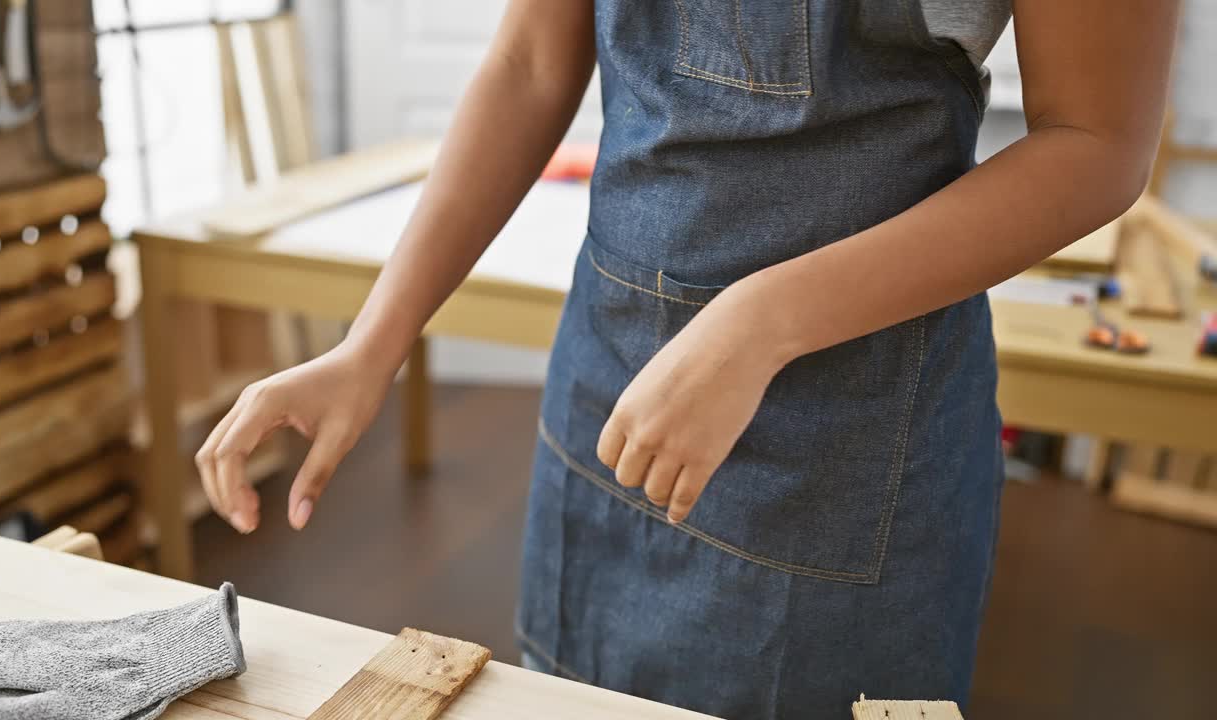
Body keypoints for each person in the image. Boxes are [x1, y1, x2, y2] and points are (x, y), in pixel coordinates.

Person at [196, 1, 1178, 716]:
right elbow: (531, 63)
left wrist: (760, 321)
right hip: (606, 386)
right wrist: (372, 345)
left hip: (847, 444)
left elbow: (1095, 143)